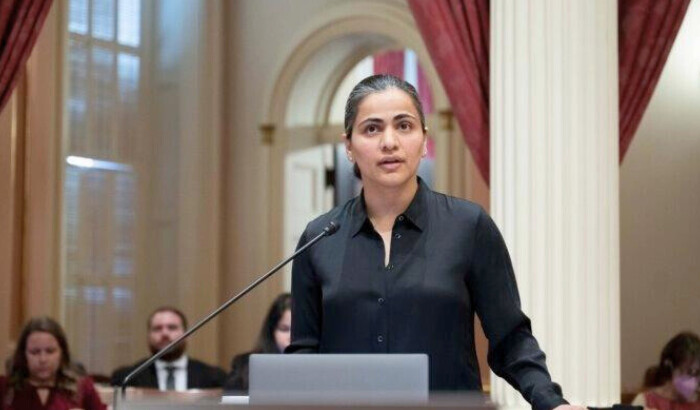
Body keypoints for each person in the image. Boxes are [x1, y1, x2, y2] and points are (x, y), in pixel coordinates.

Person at [287, 74, 583, 410]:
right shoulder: (319, 238)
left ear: (424, 140)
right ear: (349, 146)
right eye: (371, 128)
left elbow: (510, 337)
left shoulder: (468, 226)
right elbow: (303, 355)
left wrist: (551, 402)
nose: (389, 142)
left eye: (404, 126)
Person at [0, 316, 106, 410]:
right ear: (23, 354)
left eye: (50, 351)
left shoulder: (83, 388)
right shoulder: (6, 388)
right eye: (35, 352)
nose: (43, 359)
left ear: (62, 353)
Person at [111, 306, 226, 390]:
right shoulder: (127, 377)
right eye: (157, 328)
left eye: (172, 327)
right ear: (148, 336)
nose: (165, 333)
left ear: (186, 334)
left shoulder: (214, 377)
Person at [223, 293, 292, 393]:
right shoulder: (244, 365)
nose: (291, 337)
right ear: (271, 331)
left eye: (298, 331)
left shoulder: (320, 367)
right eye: (284, 329)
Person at [632, 332, 700, 410]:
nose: (695, 380)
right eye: (690, 372)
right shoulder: (644, 401)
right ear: (670, 368)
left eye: (698, 373)